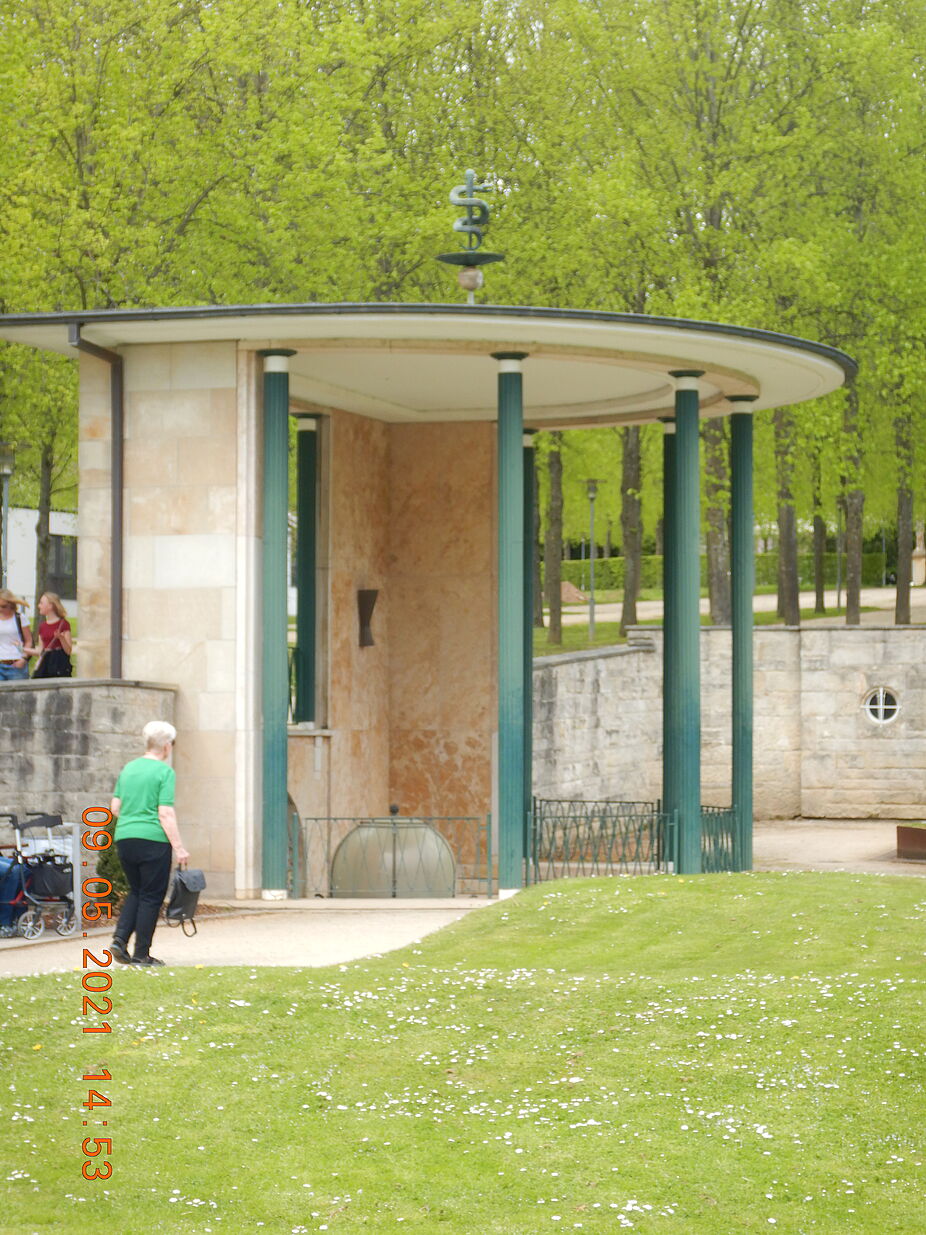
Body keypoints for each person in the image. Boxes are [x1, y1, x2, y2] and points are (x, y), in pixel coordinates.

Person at [110, 720, 190, 967]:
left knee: (137, 890)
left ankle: (119, 940)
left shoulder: (128, 769)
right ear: (166, 746)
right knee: (152, 896)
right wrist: (179, 847)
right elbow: (165, 813)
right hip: (153, 840)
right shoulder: (164, 772)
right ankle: (141, 955)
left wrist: (133, 823)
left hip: (125, 838)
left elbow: (114, 808)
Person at [25, 591, 73, 678]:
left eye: (41, 603)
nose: (39, 606)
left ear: (50, 606)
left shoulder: (64, 624)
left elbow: (68, 651)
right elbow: (41, 651)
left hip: (59, 666)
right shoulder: (42, 626)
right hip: (45, 666)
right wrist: (22, 649)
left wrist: (61, 638)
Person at [0, 589, 33, 681]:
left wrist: (23, 659)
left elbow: (29, 640)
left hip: (16, 664)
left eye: (3, 606)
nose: (1, 609)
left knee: (19, 695)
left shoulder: (20, 618)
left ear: (11, 604)